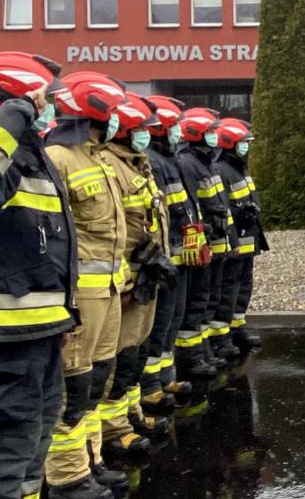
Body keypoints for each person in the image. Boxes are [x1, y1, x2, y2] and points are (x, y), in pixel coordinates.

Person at [0, 52, 80, 499]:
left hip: (39, 331)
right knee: (5, 454)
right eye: (44, 100)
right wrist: (20, 107)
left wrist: (63, 316)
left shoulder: (30, 156)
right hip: (7, 336)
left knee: (32, 449)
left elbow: (52, 247)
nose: (52, 110)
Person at [40, 73, 139, 499]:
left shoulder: (94, 157)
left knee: (98, 378)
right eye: (113, 114)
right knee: (73, 385)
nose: (119, 123)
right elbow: (52, 237)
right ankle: (67, 477)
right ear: (94, 113)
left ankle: (90, 461)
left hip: (110, 290)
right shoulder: (58, 158)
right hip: (80, 294)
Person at [94, 92, 175, 457]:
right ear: (125, 131)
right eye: (141, 128)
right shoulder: (112, 164)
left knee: (135, 354)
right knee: (117, 359)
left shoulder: (136, 163)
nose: (148, 134)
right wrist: (124, 280)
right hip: (127, 280)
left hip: (146, 275)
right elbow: (114, 232)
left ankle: (130, 413)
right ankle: (113, 431)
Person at [138, 96, 198, 403]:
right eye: (172, 127)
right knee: (160, 320)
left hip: (179, 253)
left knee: (173, 317)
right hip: (166, 254)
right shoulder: (154, 161)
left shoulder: (169, 159)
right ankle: (150, 386)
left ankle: (166, 377)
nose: (177, 132)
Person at [173, 107, 233, 372]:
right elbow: (190, 204)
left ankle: (204, 349)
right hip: (201, 239)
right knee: (197, 300)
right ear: (196, 134)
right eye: (209, 132)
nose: (213, 137)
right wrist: (205, 228)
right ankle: (192, 355)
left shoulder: (206, 161)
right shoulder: (188, 163)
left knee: (208, 296)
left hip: (214, 239)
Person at [211, 117, 268, 351]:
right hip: (235, 241)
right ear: (230, 144)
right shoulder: (222, 170)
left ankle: (237, 326)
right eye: (243, 142)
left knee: (243, 285)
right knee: (229, 287)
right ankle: (222, 336)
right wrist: (232, 239)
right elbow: (223, 208)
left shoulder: (239, 168)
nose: (246, 147)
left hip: (248, 238)